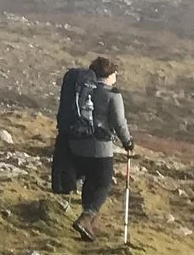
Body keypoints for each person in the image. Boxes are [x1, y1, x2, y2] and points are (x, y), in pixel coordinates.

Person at [54, 55, 134, 238]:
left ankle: (87, 227)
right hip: (100, 149)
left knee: (89, 182)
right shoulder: (112, 95)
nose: (116, 77)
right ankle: (86, 218)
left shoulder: (81, 90)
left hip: (75, 145)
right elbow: (119, 123)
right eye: (115, 73)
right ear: (108, 75)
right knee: (101, 184)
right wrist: (128, 142)